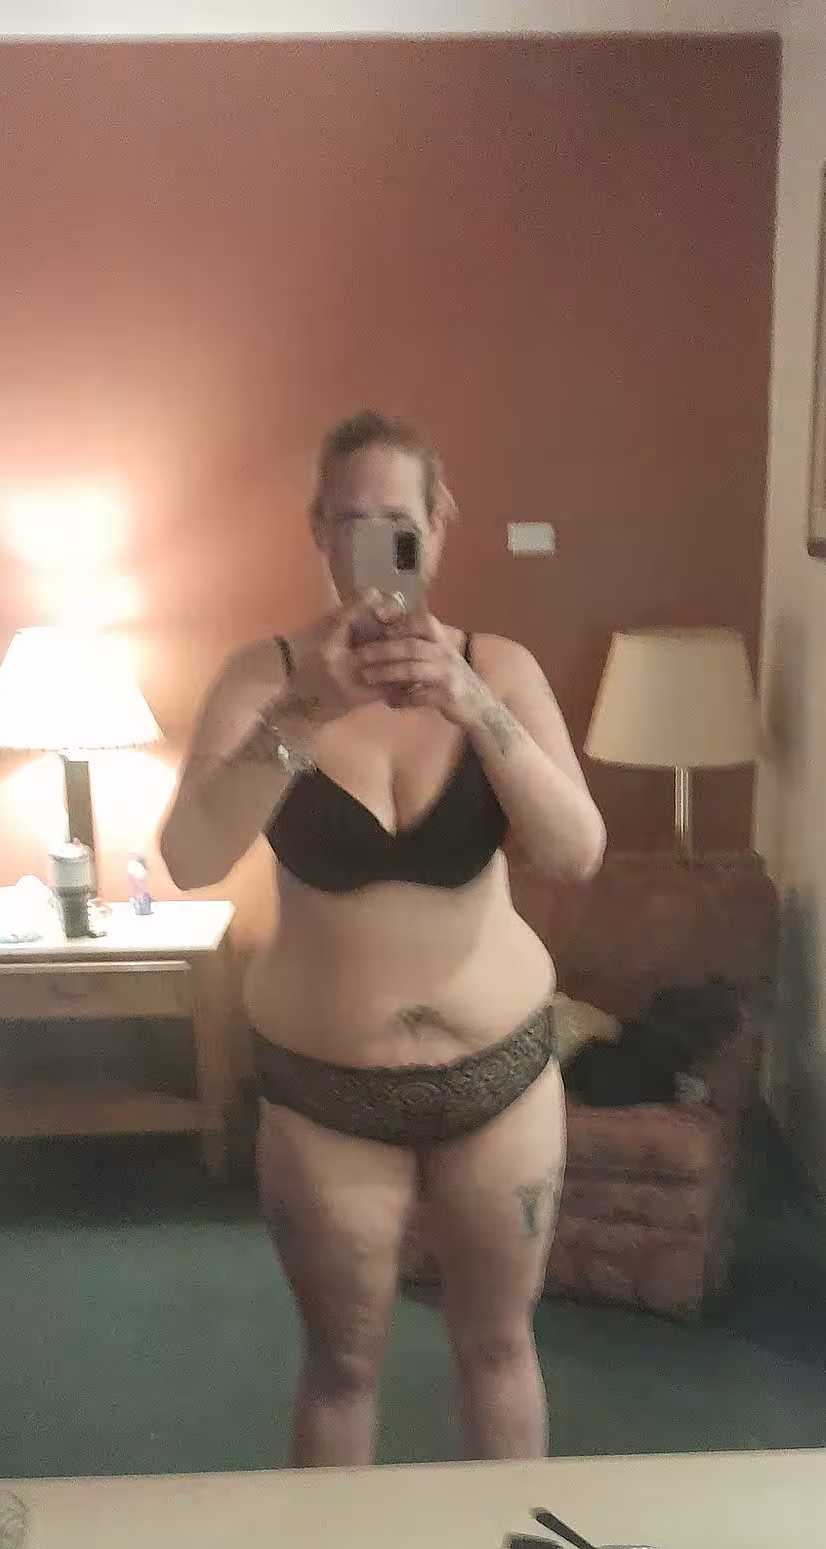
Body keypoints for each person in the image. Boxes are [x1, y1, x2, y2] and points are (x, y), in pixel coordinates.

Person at [161, 411, 606, 1466]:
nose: (372, 546)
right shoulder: (261, 679)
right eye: (349, 523)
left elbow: (575, 849)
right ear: (318, 531)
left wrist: (473, 705)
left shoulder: (500, 667)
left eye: (396, 524)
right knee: (341, 1366)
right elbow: (190, 857)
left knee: (499, 1349)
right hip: (329, 1097)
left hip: (499, 1075)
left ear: (439, 526)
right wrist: (301, 715)